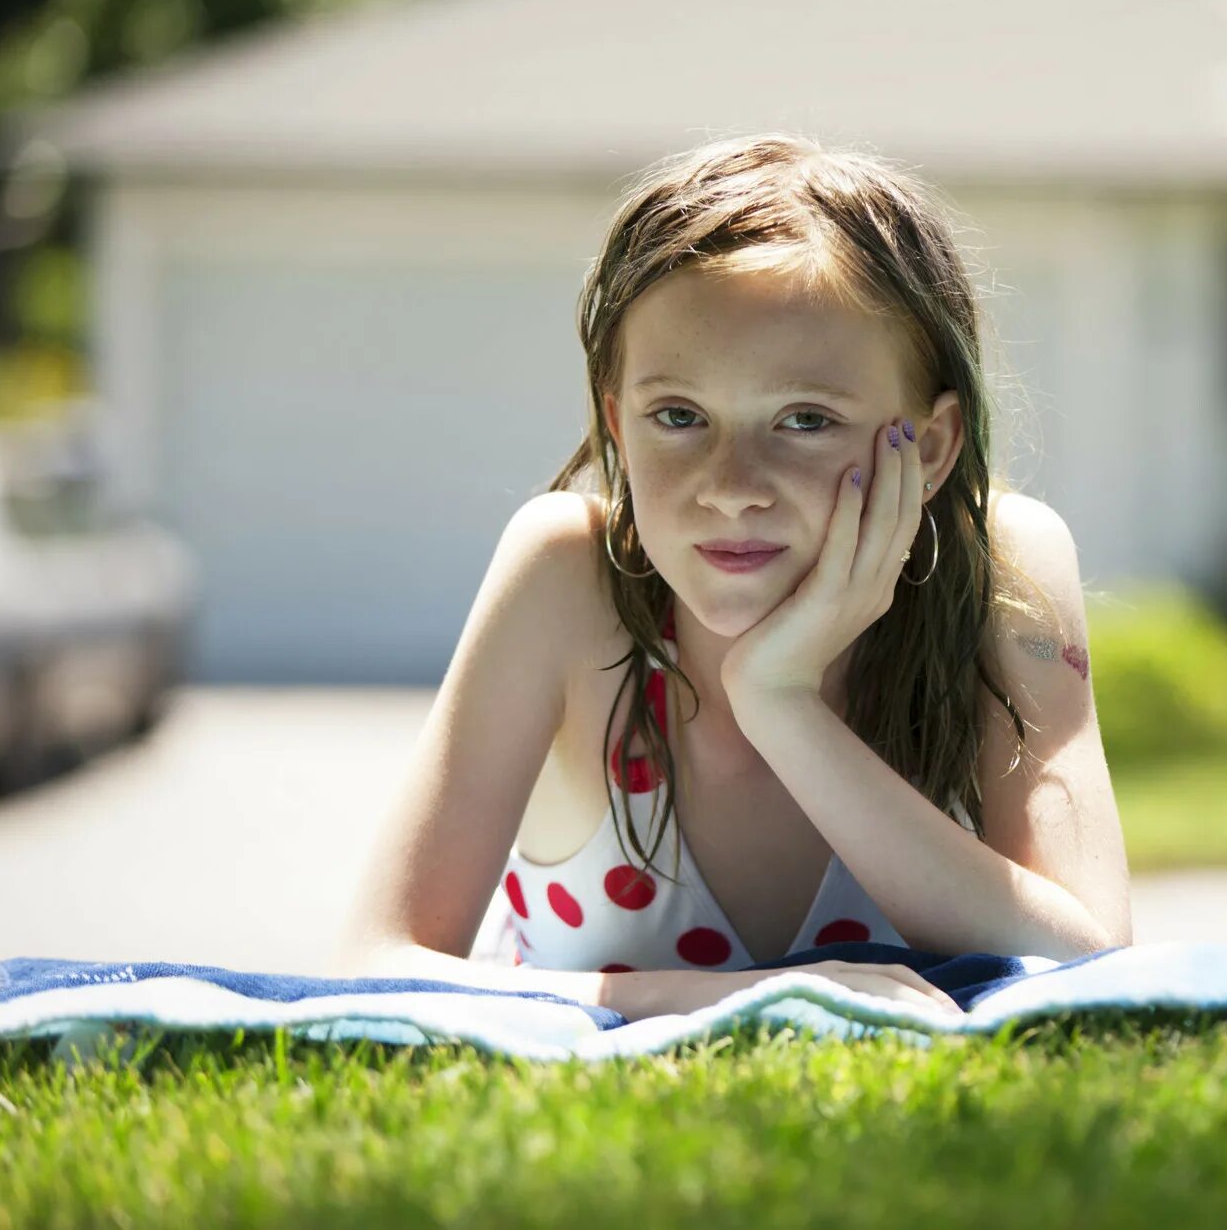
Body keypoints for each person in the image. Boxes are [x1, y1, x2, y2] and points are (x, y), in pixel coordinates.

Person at [332, 133, 1132, 1022]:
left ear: (932, 446)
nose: (731, 487)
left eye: (803, 420)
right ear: (616, 426)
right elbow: (377, 959)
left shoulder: (1004, 574)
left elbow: (1089, 963)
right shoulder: (567, 578)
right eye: (678, 415)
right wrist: (751, 999)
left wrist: (781, 702)